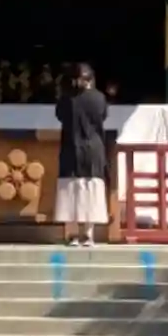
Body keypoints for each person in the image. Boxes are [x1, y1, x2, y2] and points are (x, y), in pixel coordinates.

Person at [54, 61, 110, 247]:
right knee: (91, 188)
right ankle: (88, 234)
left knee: (72, 189)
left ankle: (73, 234)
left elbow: (60, 116)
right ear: (91, 79)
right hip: (93, 147)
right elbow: (103, 117)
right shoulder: (99, 98)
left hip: (72, 146)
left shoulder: (67, 99)